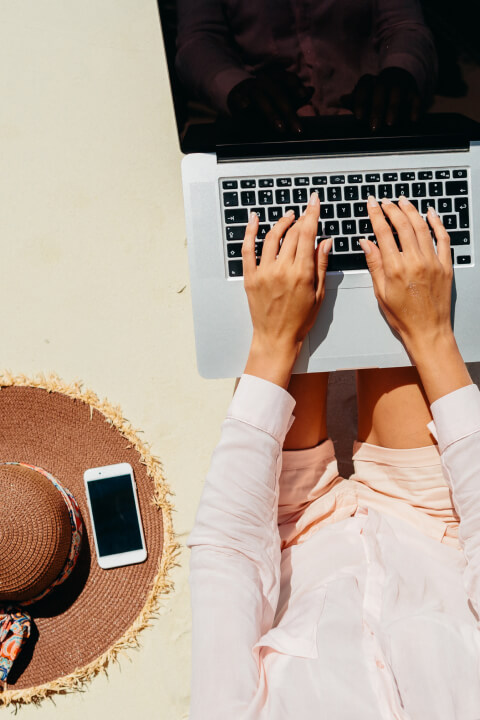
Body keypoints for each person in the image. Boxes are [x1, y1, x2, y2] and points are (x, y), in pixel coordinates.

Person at [187, 191, 480, 718]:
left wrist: (272, 347)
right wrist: (434, 338)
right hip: (433, 516)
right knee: (393, 231)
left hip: (291, 529)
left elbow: (226, 558)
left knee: (293, 242)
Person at [175, 0, 436, 133]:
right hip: (260, 127)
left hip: (368, 122)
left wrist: (401, 70)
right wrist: (236, 87)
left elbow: (403, 24)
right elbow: (198, 39)